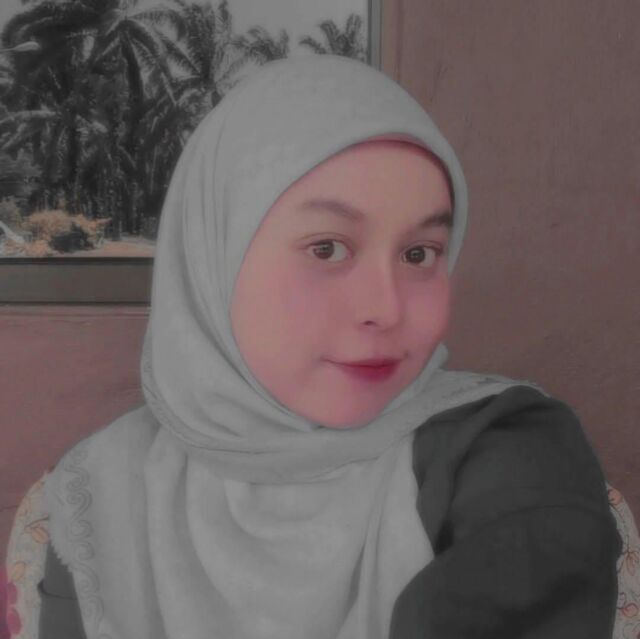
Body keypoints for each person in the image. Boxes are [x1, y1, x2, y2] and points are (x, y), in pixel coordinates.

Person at [36, 54, 620, 639]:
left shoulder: (506, 447)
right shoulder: (103, 491)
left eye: (419, 254)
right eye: (328, 249)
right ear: (213, 259)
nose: (385, 308)